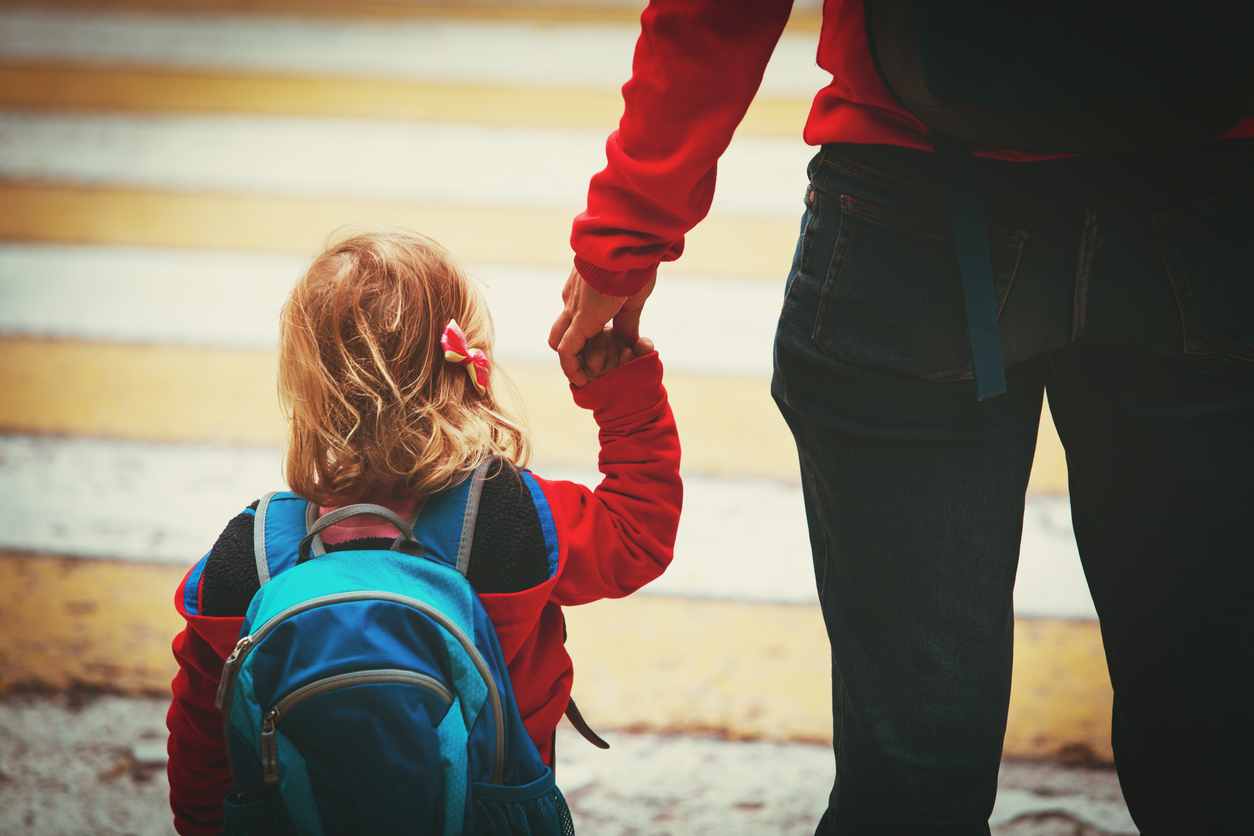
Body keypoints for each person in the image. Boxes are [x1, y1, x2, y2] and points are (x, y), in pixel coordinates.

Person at [548, 2, 1253, 833]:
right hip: (1208, 216)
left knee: (916, 758)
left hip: (917, 208)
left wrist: (629, 229)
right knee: (1215, 725)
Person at [167, 231, 682, 835]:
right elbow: (638, 534)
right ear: (465, 362)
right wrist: (623, 394)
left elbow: (203, 735)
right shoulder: (506, 517)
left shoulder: (247, 558)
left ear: (306, 386)